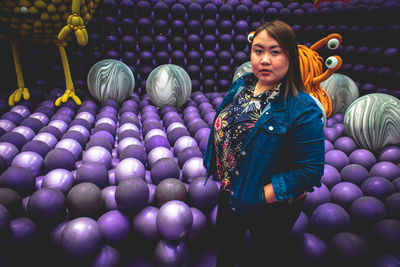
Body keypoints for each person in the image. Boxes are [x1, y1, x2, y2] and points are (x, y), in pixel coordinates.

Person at [203, 20, 325, 267]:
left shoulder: (303, 108)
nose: (265, 59)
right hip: (230, 190)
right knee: (225, 252)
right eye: (258, 51)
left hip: (271, 206)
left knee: (264, 257)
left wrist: (260, 195)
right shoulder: (243, 84)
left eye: (275, 51)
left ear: (290, 56)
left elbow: (310, 172)